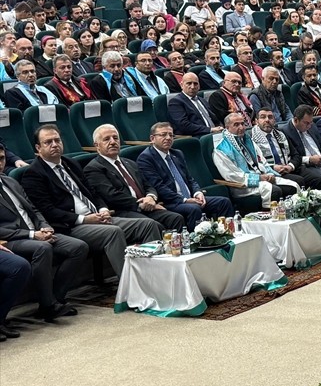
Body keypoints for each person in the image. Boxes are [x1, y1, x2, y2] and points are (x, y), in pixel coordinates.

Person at [21, 125, 160, 277]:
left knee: (148, 225)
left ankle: (153, 276)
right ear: (38, 148)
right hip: (72, 225)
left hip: (97, 217)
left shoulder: (70, 163)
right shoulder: (33, 174)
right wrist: (85, 219)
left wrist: (103, 209)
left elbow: (92, 193)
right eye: (48, 142)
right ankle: (130, 286)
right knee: (113, 232)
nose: (54, 144)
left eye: (57, 140)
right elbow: (48, 211)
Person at [0, 171, 87, 321]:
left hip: (36, 231)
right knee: (43, 248)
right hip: (11, 239)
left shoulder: (10, 181)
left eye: (1, 158)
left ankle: (55, 298)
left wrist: (45, 226)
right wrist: (32, 235)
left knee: (78, 247)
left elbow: (33, 209)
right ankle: (48, 305)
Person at [82, 124, 186, 232]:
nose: (113, 142)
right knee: (151, 225)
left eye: (115, 138)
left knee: (176, 218)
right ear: (97, 145)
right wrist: (141, 204)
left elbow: (148, 185)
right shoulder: (94, 168)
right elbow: (112, 196)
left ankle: (177, 248)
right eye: (107, 139)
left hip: (146, 206)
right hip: (123, 211)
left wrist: (151, 197)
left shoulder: (129, 162)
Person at [136, 123, 235, 230]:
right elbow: (158, 187)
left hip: (190, 198)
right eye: (163, 135)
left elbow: (189, 179)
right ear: (152, 138)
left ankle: (227, 234)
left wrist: (198, 193)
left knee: (223, 202)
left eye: (171, 135)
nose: (168, 138)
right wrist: (184, 200)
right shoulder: (146, 158)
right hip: (170, 201)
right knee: (194, 209)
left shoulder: (177, 153)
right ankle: (197, 242)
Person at [212, 113, 298, 208]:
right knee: (275, 191)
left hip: (262, 177)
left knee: (292, 186)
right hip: (242, 186)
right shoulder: (221, 149)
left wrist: (269, 175)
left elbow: (262, 161)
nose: (241, 127)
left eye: (243, 124)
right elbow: (232, 176)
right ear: (227, 127)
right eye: (236, 125)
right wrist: (259, 178)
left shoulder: (248, 140)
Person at [167, 72, 223, 137]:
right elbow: (184, 125)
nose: (192, 87)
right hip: (196, 137)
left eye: (195, 84)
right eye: (189, 83)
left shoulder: (202, 100)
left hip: (215, 134)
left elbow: (215, 118)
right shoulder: (175, 102)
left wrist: (220, 127)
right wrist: (210, 130)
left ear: (199, 86)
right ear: (181, 85)